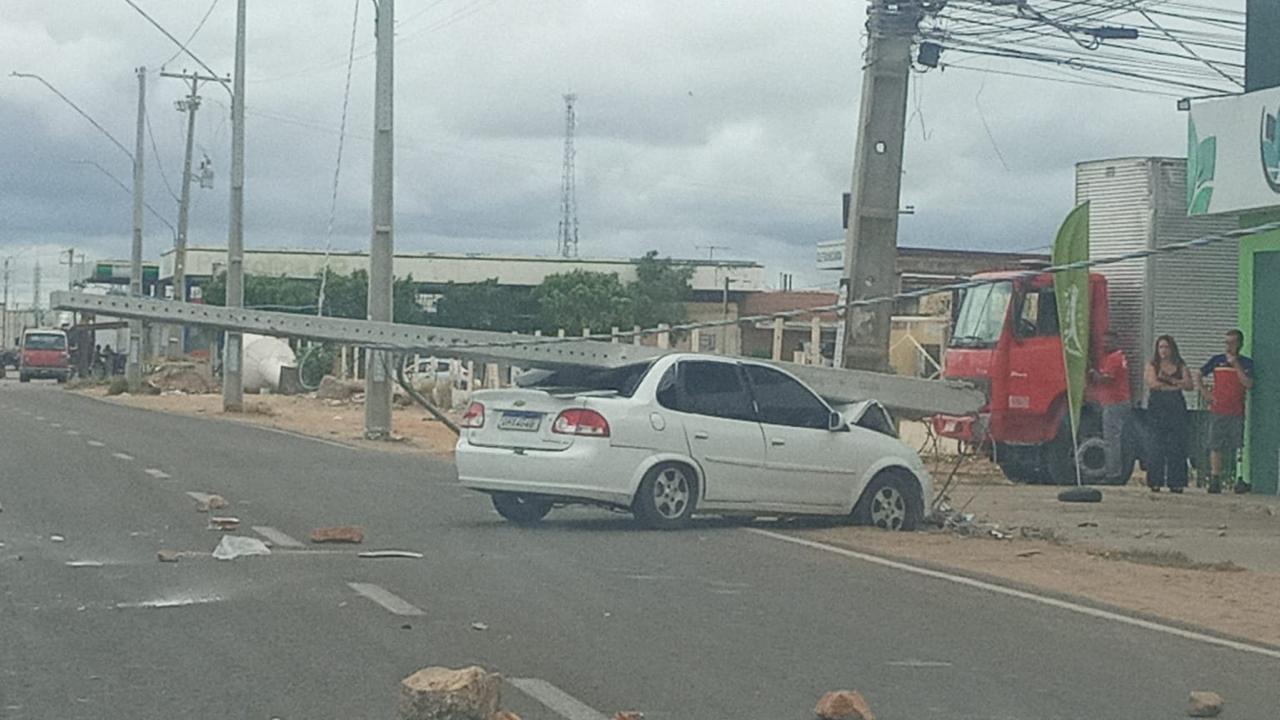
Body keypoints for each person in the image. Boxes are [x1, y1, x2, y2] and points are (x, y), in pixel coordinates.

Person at [1198, 329, 1255, 494]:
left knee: (1237, 445)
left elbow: (1248, 384)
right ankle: (1215, 479)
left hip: (1236, 410)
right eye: (1226, 342)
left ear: (1240, 344)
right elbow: (1199, 374)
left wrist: (1236, 364)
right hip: (1218, 409)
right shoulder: (1217, 360)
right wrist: (1205, 392)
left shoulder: (1246, 363)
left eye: (1232, 342)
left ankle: (1239, 477)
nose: (1229, 346)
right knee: (1215, 444)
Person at [1145, 335, 1193, 493]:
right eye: (1160, 347)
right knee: (1156, 444)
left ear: (1172, 349)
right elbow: (1153, 384)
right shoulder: (1153, 365)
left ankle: (1177, 481)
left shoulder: (1180, 365)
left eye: (1166, 347)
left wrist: (1171, 382)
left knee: (1177, 444)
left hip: (1176, 407)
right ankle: (1155, 481)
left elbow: (1188, 385)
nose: (1163, 351)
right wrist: (1175, 386)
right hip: (1158, 407)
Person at [1091, 330, 1132, 484]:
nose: (1105, 344)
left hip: (1115, 403)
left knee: (1111, 439)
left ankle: (1113, 474)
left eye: (1109, 341)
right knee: (1114, 438)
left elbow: (1107, 379)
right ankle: (1114, 472)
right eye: (1104, 341)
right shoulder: (1117, 357)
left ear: (1116, 342)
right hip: (1118, 402)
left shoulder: (1114, 358)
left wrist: (1094, 375)